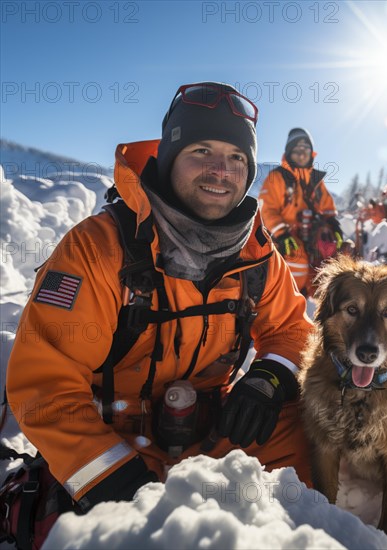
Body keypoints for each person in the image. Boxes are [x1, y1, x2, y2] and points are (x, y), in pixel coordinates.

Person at [6, 82, 313, 514]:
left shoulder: (257, 254)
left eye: (236, 157)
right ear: (169, 159)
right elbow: (45, 384)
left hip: (213, 432)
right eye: (201, 151)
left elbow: (291, 329)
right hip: (115, 439)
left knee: (304, 427)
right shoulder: (99, 248)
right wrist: (115, 480)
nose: (221, 170)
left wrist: (269, 378)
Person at [259, 128, 343, 296]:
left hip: (311, 234)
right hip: (283, 236)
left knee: (334, 254)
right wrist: (282, 233)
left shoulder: (316, 181)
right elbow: (267, 209)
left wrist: (334, 226)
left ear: (311, 153)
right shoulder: (277, 178)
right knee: (296, 257)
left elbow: (327, 207)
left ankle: (319, 301)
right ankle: (290, 297)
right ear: (289, 153)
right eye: (296, 150)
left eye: (305, 149)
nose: (301, 154)